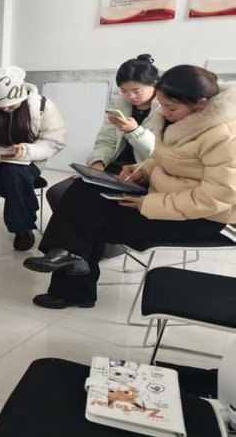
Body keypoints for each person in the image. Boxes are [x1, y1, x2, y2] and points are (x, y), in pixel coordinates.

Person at [23, 65, 236, 309]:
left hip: (210, 221)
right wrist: (142, 170)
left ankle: (72, 284)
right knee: (84, 189)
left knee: (92, 217)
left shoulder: (226, 136)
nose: (164, 112)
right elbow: (167, 159)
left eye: (170, 108)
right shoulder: (184, 119)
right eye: (162, 105)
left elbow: (214, 199)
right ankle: (67, 255)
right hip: (170, 200)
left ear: (201, 104)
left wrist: (148, 203)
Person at [0, 66, 66, 251]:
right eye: (0, 107)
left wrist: (27, 150)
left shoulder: (43, 106)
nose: (6, 109)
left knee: (15, 174)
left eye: (11, 105)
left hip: (28, 159)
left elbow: (54, 141)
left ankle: (23, 228)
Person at [46, 54, 159, 211]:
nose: (130, 96)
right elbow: (106, 140)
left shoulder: (165, 110)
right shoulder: (121, 104)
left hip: (141, 173)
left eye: (136, 91)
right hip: (114, 168)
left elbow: (159, 153)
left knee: (92, 203)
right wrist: (97, 166)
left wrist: (134, 131)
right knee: (59, 193)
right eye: (124, 91)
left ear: (154, 84)